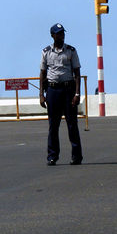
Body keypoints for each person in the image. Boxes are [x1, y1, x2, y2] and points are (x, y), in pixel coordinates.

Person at [39, 23, 83, 166]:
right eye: (58, 33)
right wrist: (41, 94)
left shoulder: (71, 51)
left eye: (63, 33)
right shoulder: (46, 51)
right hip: (52, 90)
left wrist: (77, 93)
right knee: (53, 125)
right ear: (53, 35)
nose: (61, 36)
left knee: (72, 124)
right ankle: (52, 156)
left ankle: (76, 156)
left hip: (68, 89)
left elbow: (77, 73)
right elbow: (42, 73)